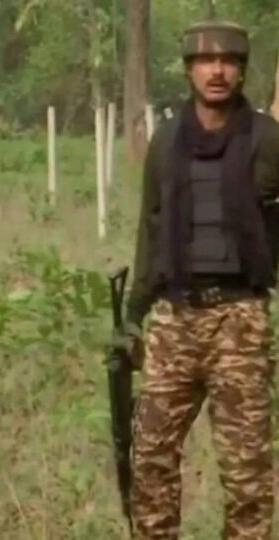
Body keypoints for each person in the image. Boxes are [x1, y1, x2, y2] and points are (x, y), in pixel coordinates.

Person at [122, 21, 279, 539]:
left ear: (242, 71)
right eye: (206, 61)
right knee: (150, 457)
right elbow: (150, 227)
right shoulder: (167, 140)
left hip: (241, 320)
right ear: (189, 69)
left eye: (228, 62)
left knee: (248, 473)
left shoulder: (266, 139)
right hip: (175, 318)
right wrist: (133, 314)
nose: (217, 71)